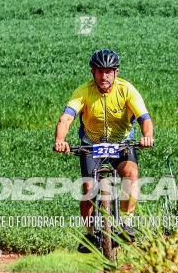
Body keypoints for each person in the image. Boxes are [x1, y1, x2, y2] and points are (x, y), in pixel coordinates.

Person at [53, 49, 154, 252]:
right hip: (91, 144)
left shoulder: (127, 90)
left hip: (122, 143)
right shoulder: (83, 91)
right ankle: (90, 234)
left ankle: (126, 222)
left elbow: (144, 118)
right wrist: (60, 140)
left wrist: (147, 136)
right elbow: (66, 117)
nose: (104, 76)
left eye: (109, 71)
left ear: (116, 73)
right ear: (93, 72)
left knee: (131, 173)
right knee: (89, 188)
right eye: (100, 71)